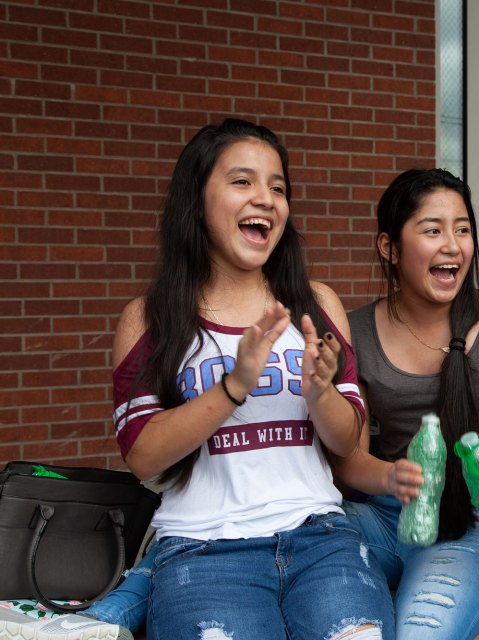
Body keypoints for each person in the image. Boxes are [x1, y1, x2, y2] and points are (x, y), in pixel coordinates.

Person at [25, 118, 395, 640]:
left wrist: (321, 392)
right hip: (204, 548)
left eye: (278, 187)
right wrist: (233, 386)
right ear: (197, 200)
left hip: (321, 538)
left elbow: (348, 444)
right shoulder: (150, 317)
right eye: (242, 181)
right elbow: (143, 457)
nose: (265, 198)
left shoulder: (317, 304)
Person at [333, 168, 479, 640]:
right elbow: (349, 462)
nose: (453, 245)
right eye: (433, 229)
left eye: (462, 229)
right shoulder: (355, 332)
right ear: (390, 248)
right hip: (386, 516)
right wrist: (390, 476)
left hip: (477, 526)